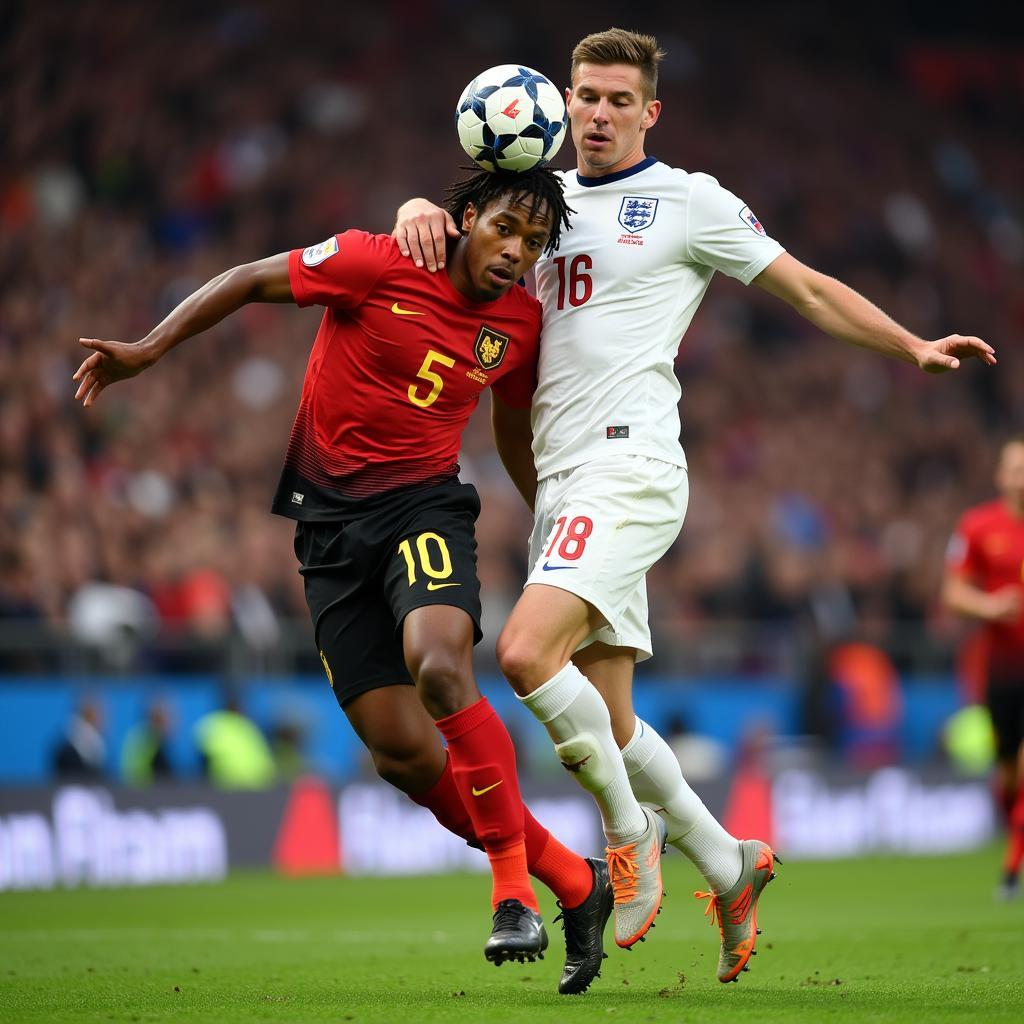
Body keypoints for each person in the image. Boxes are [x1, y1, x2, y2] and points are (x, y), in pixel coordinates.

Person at [393, 27, 997, 981]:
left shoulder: (688, 202)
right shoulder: (530, 212)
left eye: (617, 101)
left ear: (649, 113)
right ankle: (730, 863)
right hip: (564, 482)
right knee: (615, 723)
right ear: (562, 103)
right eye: (585, 95)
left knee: (520, 653)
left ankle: (628, 842)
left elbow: (804, 288)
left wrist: (910, 344)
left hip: (631, 468)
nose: (596, 113)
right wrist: (420, 205)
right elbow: (475, 303)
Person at [72, 166, 613, 995]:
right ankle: (577, 884)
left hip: (426, 510)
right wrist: (149, 348)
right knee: (399, 753)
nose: (515, 252)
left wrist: (547, 517)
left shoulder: (520, 324)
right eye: (506, 228)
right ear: (467, 217)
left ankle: (512, 892)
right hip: (328, 534)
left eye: (534, 243)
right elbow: (249, 279)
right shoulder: (379, 259)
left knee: (439, 666)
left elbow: (510, 425)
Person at [943, 437, 1024, 900]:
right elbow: (952, 593)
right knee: (1010, 774)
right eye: (1015, 468)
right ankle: (1011, 837)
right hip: (1004, 669)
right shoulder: (978, 526)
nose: (1021, 477)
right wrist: (990, 607)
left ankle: (1011, 871)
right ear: (1001, 475)